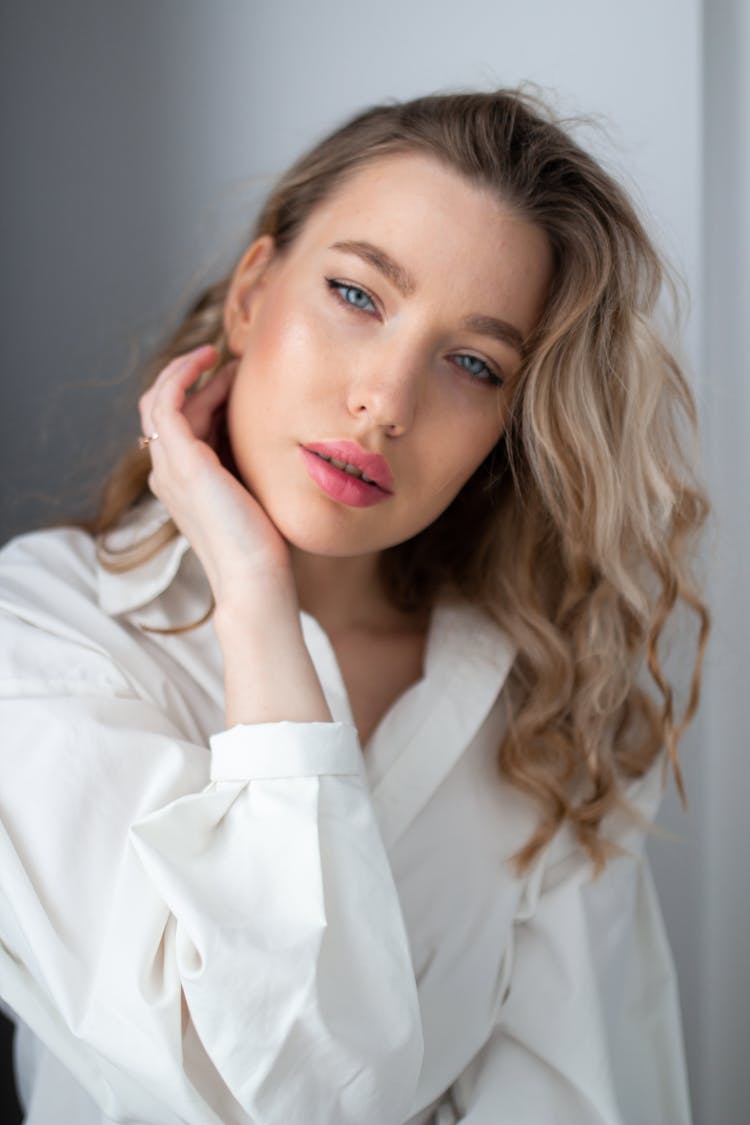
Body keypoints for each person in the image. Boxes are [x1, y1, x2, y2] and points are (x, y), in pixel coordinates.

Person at [0, 88, 708, 1125]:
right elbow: (266, 1094)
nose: (386, 400)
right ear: (252, 291)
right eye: (358, 294)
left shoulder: (540, 716)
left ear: (504, 430)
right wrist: (253, 594)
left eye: (473, 363)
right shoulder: (45, 634)